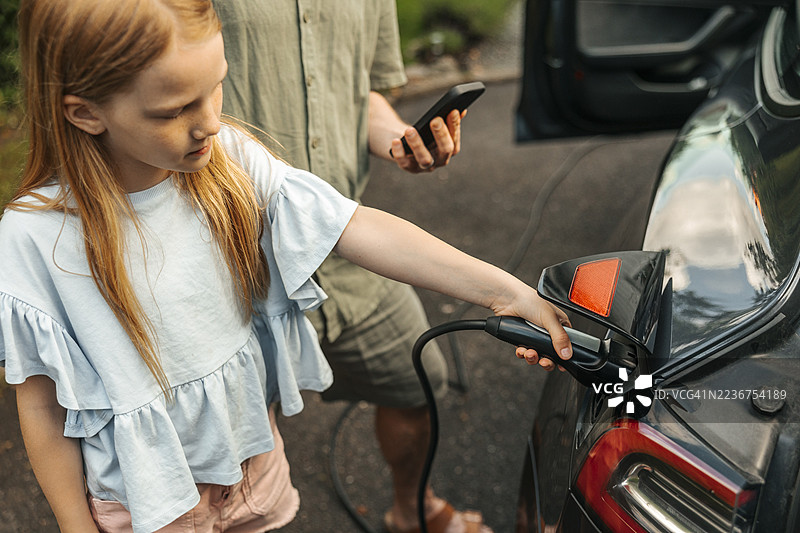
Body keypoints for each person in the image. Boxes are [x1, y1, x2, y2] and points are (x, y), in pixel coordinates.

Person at [1, 1, 572, 532]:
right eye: (174, 110)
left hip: (254, 462)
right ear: (84, 111)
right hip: (144, 499)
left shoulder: (229, 161)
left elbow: (359, 227)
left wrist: (503, 291)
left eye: (217, 87)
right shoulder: (33, 238)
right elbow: (44, 409)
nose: (211, 124)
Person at [211, 3, 484, 531]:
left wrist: (400, 140)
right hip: (232, 261)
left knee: (418, 379)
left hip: (346, 248)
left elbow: (361, 92)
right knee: (223, 455)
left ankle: (413, 510)